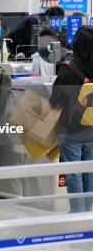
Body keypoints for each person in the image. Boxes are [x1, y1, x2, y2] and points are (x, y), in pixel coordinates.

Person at [50, 25, 93, 213]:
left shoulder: (69, 68)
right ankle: (88, 211)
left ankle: (77, 212)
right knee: (88, 169)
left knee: (73, 171)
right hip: (91, 125)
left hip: (71, 128)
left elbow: (56, 100)